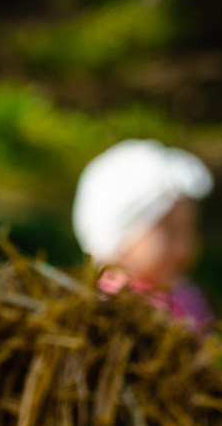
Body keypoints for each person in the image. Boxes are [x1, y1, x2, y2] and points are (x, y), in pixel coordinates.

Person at [73, 139, 214, 333]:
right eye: (170, 233)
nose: (184, 247)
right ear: (120, 235)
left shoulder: (188, 298)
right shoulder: (109, 306)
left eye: (190, 230)